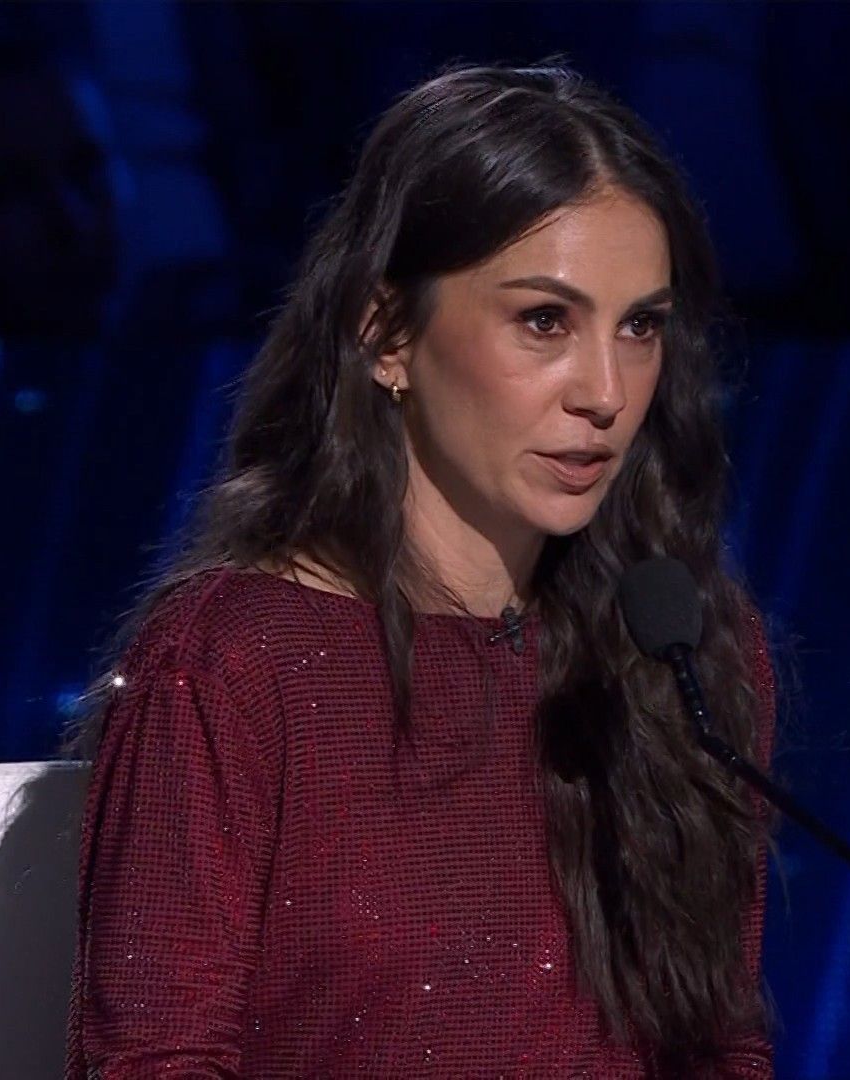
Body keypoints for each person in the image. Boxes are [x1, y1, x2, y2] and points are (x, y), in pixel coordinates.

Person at [64, 60, 780, 1077]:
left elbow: (722, 1045)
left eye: (641, 327)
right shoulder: (234, 667)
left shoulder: (681, 652)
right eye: (545, 321)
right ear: (387, 334)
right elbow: (156, 1059)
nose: (607, 393)